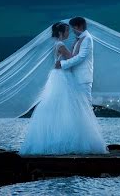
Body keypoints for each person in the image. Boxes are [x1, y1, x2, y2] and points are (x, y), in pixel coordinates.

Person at [19, 20, 107, 155]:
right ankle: (73, 140)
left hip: (63, 76)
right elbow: (74, 57)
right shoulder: (62, 45)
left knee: (64, 107)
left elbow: (72, 58)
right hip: (64, 77)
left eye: (70, 29)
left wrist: (72, 52)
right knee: (68, 107)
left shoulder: (63, 43)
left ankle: (61, 139)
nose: (69, 32)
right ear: (61, 32)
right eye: (67, 31)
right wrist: (75, 50)